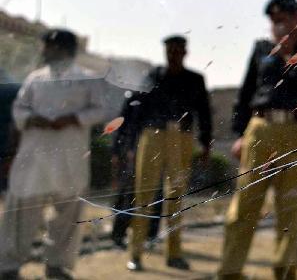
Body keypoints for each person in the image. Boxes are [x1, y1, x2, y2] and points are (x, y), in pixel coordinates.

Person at [218, 0, 297, 280]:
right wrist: (240, 134)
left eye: (283, 19)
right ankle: (229, 272)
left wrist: (289, 53)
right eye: (273, 20)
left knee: (289, 209)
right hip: (261, 128)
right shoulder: (260, 47)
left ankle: (284, 273)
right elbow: (245, 93)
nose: (277, 25)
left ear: (296, 17)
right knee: (244, 205)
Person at [0, 29, 108, 280]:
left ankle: (57, 265)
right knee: (22, 211)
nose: (44, 52)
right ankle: (8, 266)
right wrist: (32, 119)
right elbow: (19, 109)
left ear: (64, 50)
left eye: (49, 47)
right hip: (34, 155)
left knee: (67, 213)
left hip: (69, 156)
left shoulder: (88, 79)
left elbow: (99, 111)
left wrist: (73, 118)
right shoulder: (35, 78)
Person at [125, 35, 212, 272]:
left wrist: (205, 144)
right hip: (152, 135)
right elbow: (137, 109)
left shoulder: (195, 79)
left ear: (185, 52)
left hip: (181, 138)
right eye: (170, 50)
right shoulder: (153, 75)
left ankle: (174, 253)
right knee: (144, 195)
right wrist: (131, 145)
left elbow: (204, 113)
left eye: (178, 50)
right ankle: (135, 253)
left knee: (176, 196)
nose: (173, 54)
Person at [109, 86, 161, 250]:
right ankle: (119, 235)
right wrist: (119, 151)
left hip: (151, 152)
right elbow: (122, 125)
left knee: (154, 195)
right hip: (132, 153)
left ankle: (149, 235)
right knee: (127, 196)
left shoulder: (158, 97)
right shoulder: (134, 97)